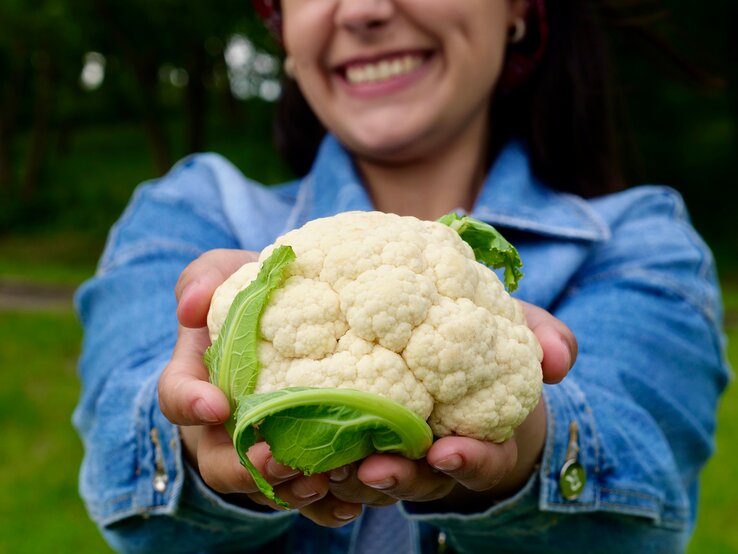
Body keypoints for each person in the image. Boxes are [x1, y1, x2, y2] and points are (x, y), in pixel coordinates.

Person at [73, 0, 729, 552]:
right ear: (284, 32)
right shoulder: (189, 209)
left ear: (520, 10)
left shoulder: (639, 240)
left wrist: (524, 437)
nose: (363, 10)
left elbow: (643, 483)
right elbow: (117, 440)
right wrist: (197, 433)